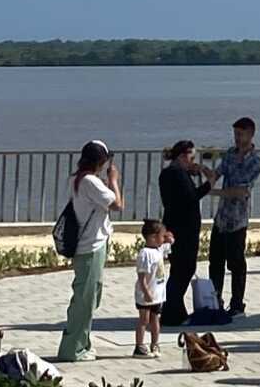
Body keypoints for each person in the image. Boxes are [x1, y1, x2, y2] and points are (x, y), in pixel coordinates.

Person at [57, 140, 124, 362]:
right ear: (100, 161)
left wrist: (104, 182)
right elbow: (117, 205)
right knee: (85, 299)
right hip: (91, 245)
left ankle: (82, 344)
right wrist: (114, 181)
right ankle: (72, 349)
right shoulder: (90, 182)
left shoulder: (77, 179)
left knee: (89, 295)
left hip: (86, 245)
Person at [209, 116, 260, 318]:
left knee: (236, 263)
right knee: (216, 261)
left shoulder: (255, 161)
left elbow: (240, 190)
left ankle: (237, 304)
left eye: (240, 134)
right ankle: (215, 300)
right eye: (235, 134)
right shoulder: (230, 154)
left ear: (250, 134)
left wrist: (212, 193)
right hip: (221, 217)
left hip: (237, 219)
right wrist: (203, 173)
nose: (237, 138)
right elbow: (217, 173)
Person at [158, 139, 214, 327]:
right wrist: (209, 183)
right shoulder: (176, 174)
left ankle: (174, 310)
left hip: (176, 226)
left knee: (179, 270)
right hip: (183, 229)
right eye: (191, 157)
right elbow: (190, 197)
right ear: (182, 156)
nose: (193, 161)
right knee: (184, 269)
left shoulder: (170, 173)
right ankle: (172, 311)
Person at [133, 219, 174, 359]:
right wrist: (146, 292)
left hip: (157, 295)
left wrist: (168, 236)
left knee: (155, 319)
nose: (164, 239)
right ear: (152, 237)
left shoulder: (159, 249)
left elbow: (171, 241)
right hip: (146, 294)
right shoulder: (145, 254)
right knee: (143, 320)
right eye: (161, 236)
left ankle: (155, 343)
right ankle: (139, 345)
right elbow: (141, 277)